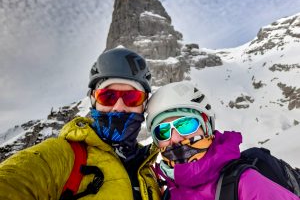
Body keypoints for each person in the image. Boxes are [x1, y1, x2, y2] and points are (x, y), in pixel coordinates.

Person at [0, 48, 161, 200]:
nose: (118, 107)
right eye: (108, 96)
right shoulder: (64, 156)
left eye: (132, 98)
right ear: (93, 100)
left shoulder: (148, 170)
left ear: (144, 104)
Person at [146, 81, 299, 200]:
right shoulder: (168, 194)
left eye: (186, 125)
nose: (176, 138)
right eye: (163, 131)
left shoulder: (244, 183)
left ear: (206, 126)